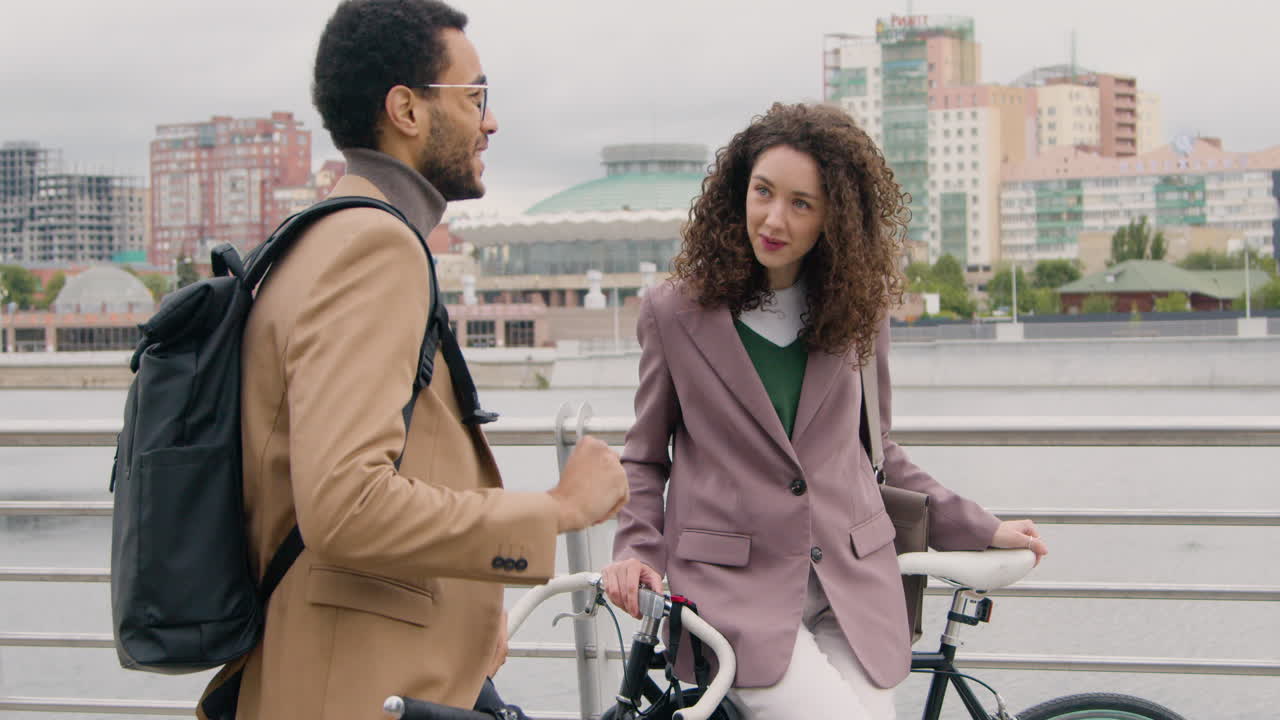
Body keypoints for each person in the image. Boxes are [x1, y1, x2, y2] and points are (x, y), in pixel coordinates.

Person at [197, 1, 629, 717]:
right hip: (356, 690)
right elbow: (346, 505)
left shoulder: (317, 236)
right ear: (406, 109)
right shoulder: (374, 248)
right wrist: (557, 508)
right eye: (475, 97)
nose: (491, 122)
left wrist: (467, 607)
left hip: (346, 669)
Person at [602, 103, 1048, 719]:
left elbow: (877, 453)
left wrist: (979, 526)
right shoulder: (673, 313)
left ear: (834, 218)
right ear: (739, 191)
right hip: (733, 594)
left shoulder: (858, 313)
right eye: (763, 192)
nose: (773, 219)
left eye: (801, 203)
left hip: (852, 585)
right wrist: (635, 551)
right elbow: (646, 458)